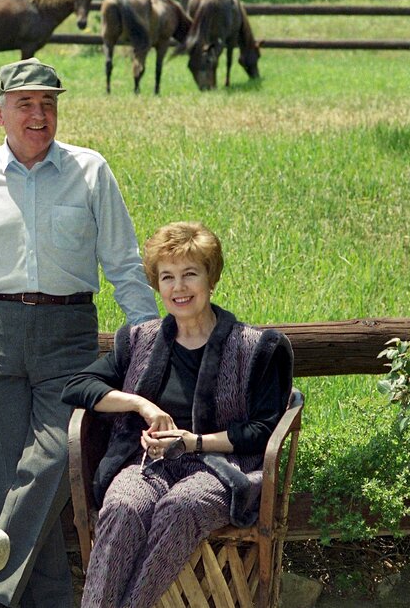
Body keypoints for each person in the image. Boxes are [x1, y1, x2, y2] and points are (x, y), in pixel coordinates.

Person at [0, 57, 159, 608]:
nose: (39, 114)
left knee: (47, 465)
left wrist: (147, 340)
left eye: (49, 104)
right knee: (13, 482)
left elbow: (123, 264)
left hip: (69, 333)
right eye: (26, 104)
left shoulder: (91, 170)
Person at [61, 221, 294, 607]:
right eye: (167, 277)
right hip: (149, 464)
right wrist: (140, 404)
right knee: (121, 506)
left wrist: (194, 442)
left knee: (180, 507)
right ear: (157, 286)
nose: (179, 288)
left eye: (190, 274)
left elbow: (262, 429)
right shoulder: (140, 339)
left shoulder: (256, 347)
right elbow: (78, 387)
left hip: (222, 466)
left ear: (210, 278)